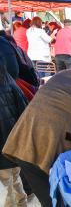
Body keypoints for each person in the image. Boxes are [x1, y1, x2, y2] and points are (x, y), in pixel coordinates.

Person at [3, 54, 71, 207]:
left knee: (48, 201)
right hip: (51, 149)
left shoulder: (64, 73)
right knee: (62, 201)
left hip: (23, 141)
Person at [0, 36, 28, 207]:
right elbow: (25, 111)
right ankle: (22, 202)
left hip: (2, 148)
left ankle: (14, 203)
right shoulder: (11, 83)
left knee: (6, 184)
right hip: (14, 145)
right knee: (15, 177)